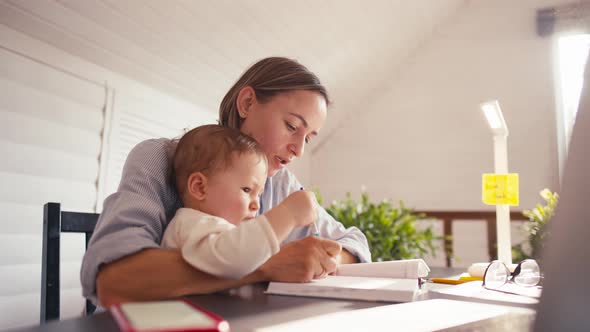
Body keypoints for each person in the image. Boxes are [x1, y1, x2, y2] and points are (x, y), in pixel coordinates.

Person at [81, 57, 371, 308]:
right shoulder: (159, 158)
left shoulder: (282, 184)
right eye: (292, 127)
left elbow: (355, 243)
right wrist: (264, 264)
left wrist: (320, 259)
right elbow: (114, 281)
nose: (299, 149)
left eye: (308, 138)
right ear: (246, 103)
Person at [162, 124, 319, 279]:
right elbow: (234, 259)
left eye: (259, 194)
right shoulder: (191, 224)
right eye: (247, 190)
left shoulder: (219, 229)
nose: (256, 205)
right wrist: (288, 214)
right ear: (200, 187)